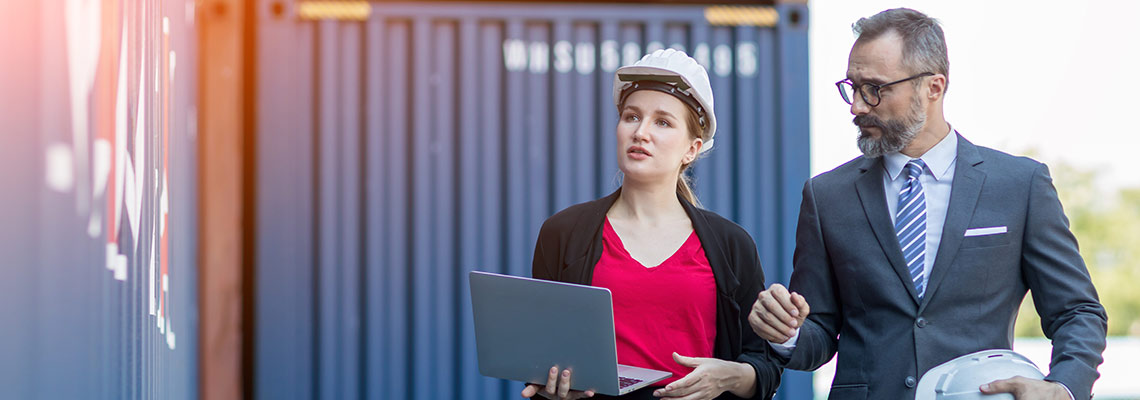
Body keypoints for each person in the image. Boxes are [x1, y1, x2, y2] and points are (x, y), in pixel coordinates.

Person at [746, 7, 1108, 400]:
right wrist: (788, 333)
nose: (857, 106)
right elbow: (818, 333)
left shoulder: (1020, 185)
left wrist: (1062, 388)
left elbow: (1077, 312)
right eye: (852, 87)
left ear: (933, 87)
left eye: (875, 88)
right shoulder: (826, 196)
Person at [522, 49, 782, 400]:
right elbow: (541, 358)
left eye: (662, 122)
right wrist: (550, 387)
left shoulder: (731, 245)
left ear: (691, 149)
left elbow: (764, 368)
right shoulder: (563, 233)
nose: (641, 132)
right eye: (632, 117)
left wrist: (730, 376)